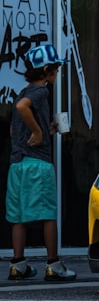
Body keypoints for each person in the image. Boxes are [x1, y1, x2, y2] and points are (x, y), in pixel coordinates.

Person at [6, 43, 76, 281]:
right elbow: (21, 109)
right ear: (46, 70)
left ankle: (18, 265)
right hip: (39, 164)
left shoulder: (23, 91)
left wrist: (46, 130)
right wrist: (37, 133)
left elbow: (14, 127)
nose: (57, 73)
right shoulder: (40, 92)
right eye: (56, 69)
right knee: (48, 214)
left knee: (18, 216)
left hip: (17, 164)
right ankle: (54, 265)